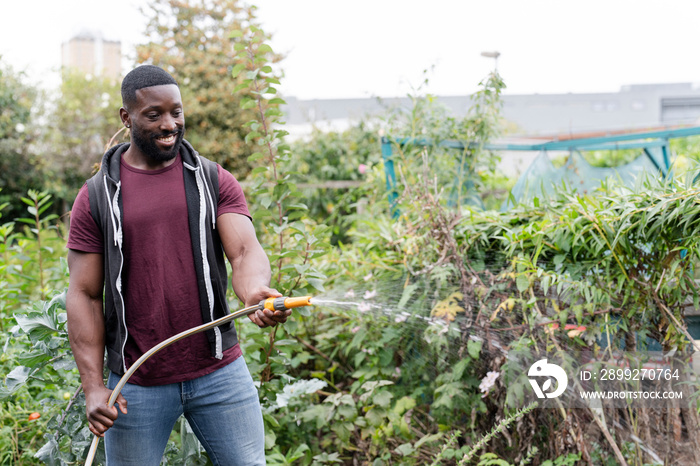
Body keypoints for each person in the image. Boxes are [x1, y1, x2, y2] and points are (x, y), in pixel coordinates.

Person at [66, 64, 288, 465]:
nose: (170, 124)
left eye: (177, 112)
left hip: (219, 373)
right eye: (154, 115)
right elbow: (83, 294)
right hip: (136, 384)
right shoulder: (97, 196)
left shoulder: (213, 179)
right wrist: (94, 386)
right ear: (126, 116)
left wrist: (255, 290)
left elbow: (243, 252)